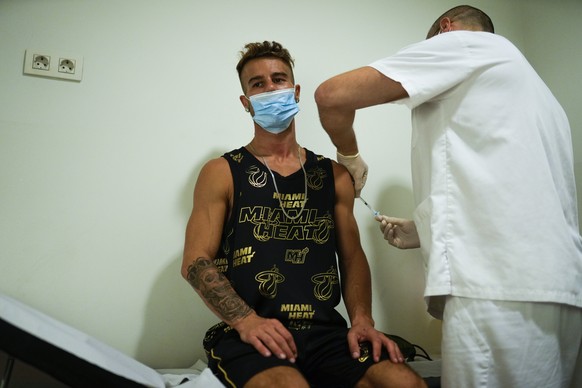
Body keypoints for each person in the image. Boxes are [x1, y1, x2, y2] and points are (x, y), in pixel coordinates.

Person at [314, 5, 582, 388]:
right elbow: (509, 183)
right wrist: (424, 228)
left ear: (446, 28)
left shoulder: (464, 45)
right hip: (558, 285)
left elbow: (331, 96)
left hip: (498, 288)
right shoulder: (537, 93)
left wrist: (349, 155)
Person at [181, 41, 426, 388]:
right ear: (246, 103)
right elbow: (195, 261)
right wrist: (247, 322)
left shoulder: (335, 175)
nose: (270, 89)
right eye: (258, 84)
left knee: (404, 383)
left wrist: (362, 320)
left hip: (327, 334)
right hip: (251, 333)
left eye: (278, 80)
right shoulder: (221, 172)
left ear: (295, 92)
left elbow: (352, 256)